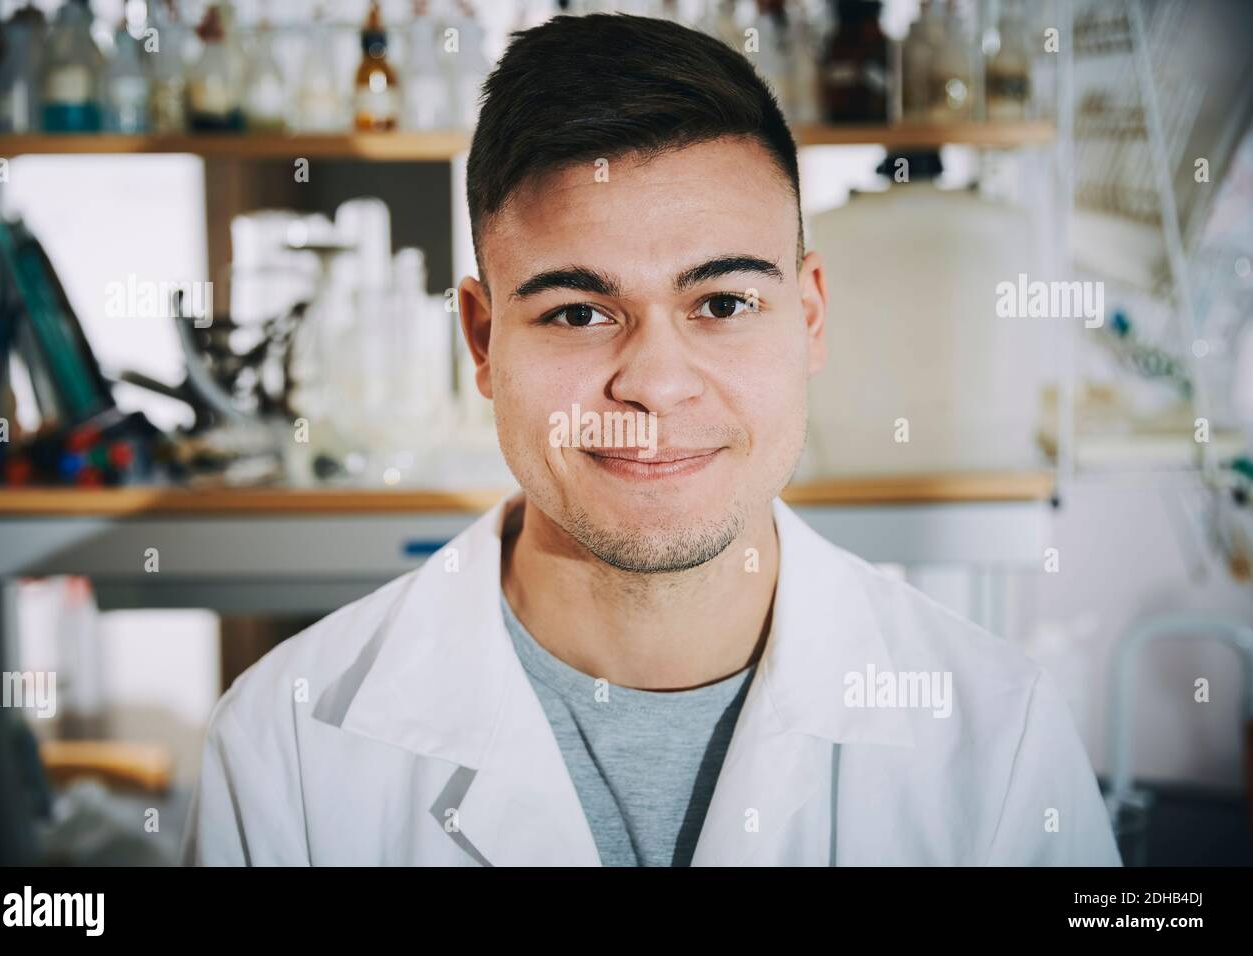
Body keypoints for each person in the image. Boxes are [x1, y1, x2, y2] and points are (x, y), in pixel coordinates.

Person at [181, 13, 1121, 867]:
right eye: (579, 312)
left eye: (722, 302)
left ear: (810, 316)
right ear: (482, 338)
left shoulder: (997, 736)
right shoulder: (287, 752)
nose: (656, 383)